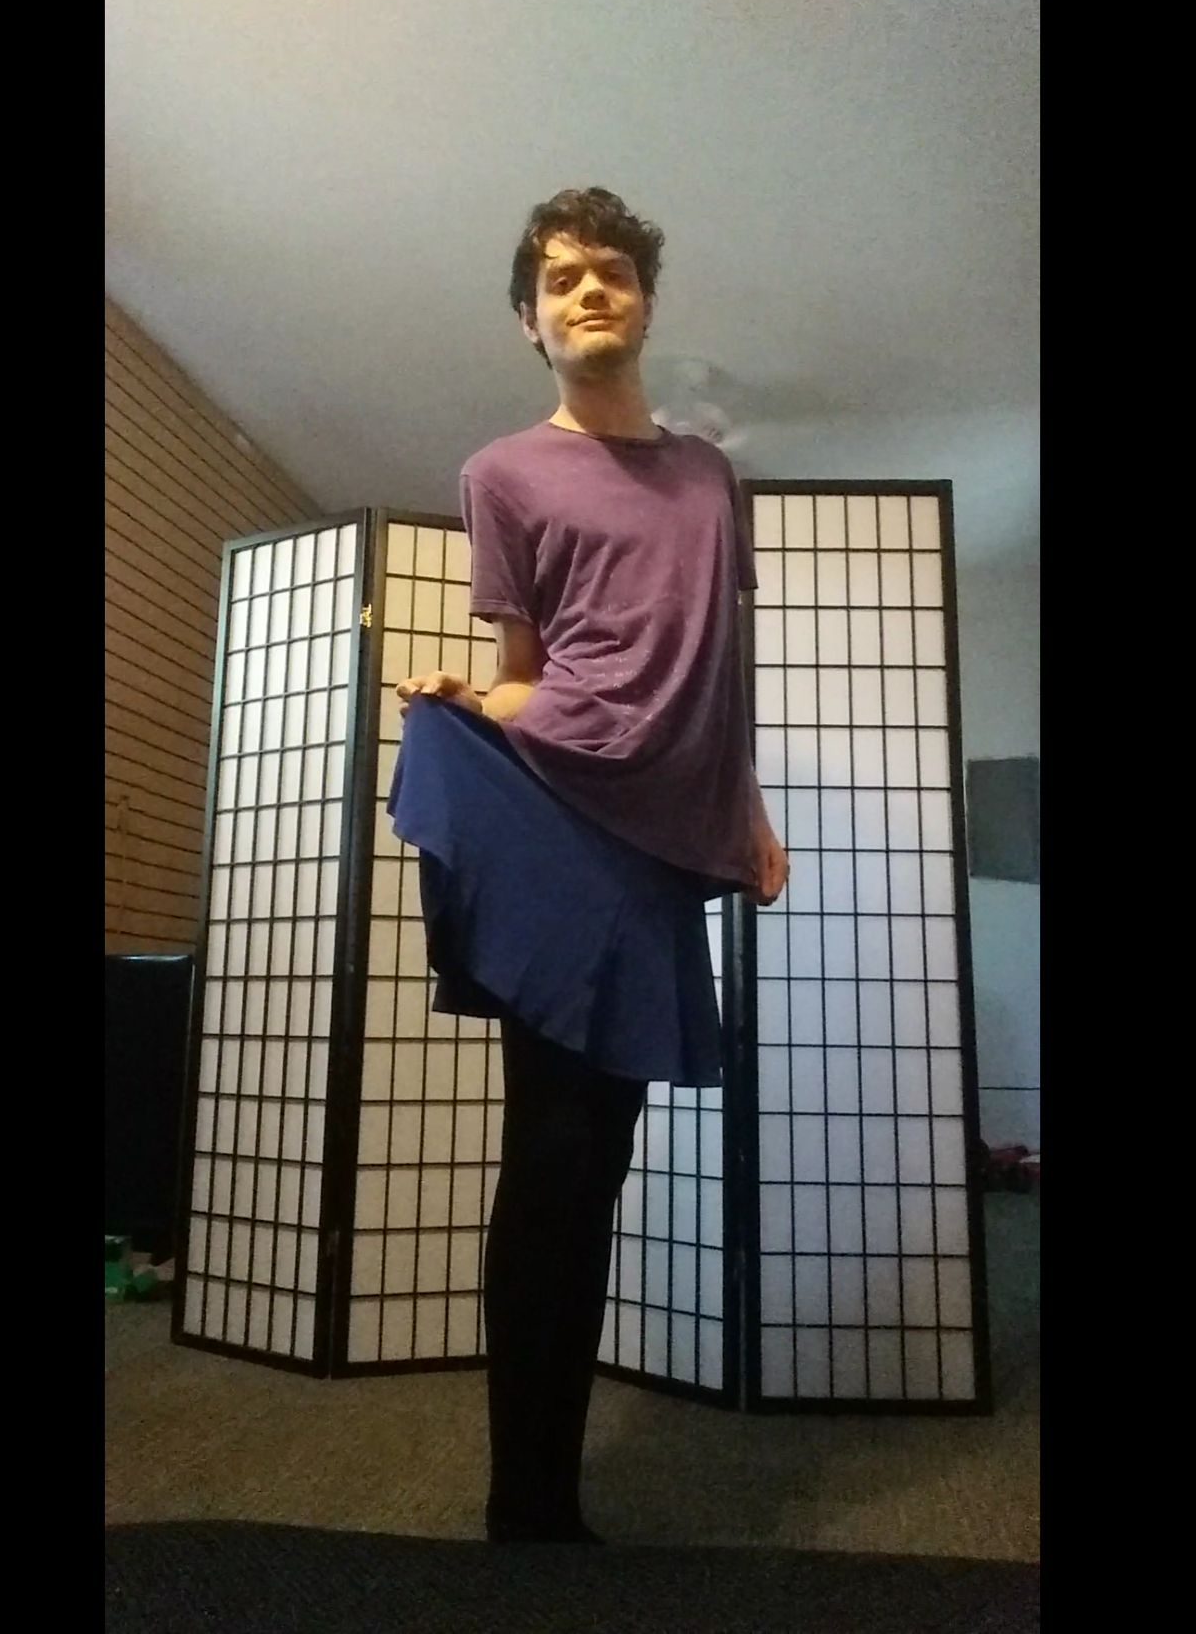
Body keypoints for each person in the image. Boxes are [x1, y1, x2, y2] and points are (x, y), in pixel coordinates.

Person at [389, 187, 788, 1544]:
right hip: (557, 816)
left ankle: (542, 1494)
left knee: (602, 1155)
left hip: (663, 845)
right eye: (559, 280)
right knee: (556, 1151)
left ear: (646, 300)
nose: (588, 291)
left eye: (610, 271)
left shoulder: (710, 477)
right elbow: (525, 674)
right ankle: (530, 1501)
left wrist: (746, 810)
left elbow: (719, 667)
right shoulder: (500, 474)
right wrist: (469, 702)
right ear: (531, 319)